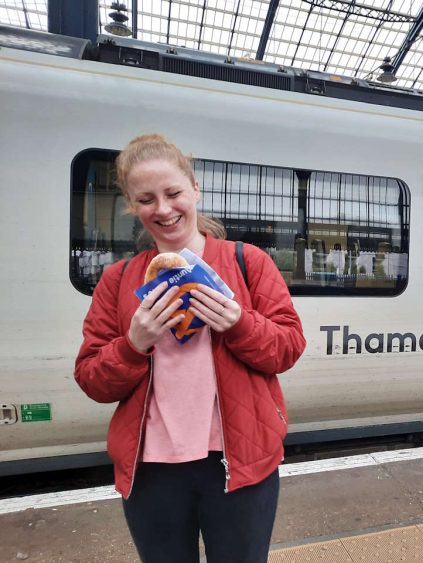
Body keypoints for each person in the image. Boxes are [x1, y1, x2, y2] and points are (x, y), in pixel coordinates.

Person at [74, 134, 306, 563]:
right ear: (132, 205)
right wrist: (133, 344)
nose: (163, 209)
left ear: (194, 189)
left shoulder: (246, 261)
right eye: (146, 199)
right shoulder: (119, 280)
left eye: (173, 193)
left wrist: (239, 323)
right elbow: (91, 378)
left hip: (240, 462)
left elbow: (288, 347)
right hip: (151, 471)